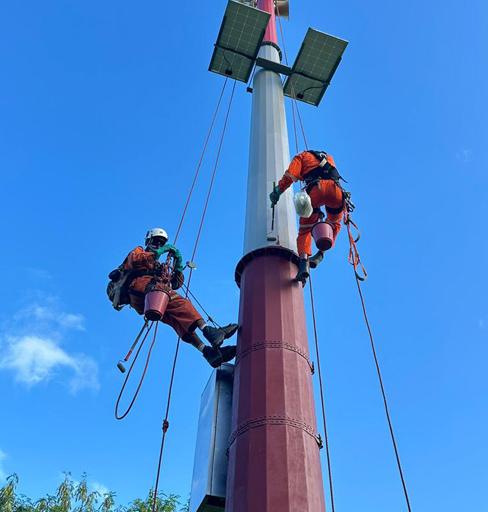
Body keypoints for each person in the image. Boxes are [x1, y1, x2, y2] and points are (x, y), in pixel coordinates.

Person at [108, 228, 238, 367]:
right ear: (148, 241)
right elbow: (136, 259)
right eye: (156, 242)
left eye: (161, 243)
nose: (159, 245)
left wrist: (178, 265)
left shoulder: (157, 265)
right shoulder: (139, 251)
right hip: (140, 287)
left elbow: (175, 283)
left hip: (147, 298)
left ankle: (207, 351)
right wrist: (157, 253)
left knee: (177, 319)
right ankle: (208, 331)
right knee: (181, 303)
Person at [270, 150, 347, 283]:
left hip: (316, 190)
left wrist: (278, 191)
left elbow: (290, 175)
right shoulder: (328, 158)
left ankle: (303, 264)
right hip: (336, 192)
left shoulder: (301, 157)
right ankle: (320, 254)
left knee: (305, 229)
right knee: (334, 224)